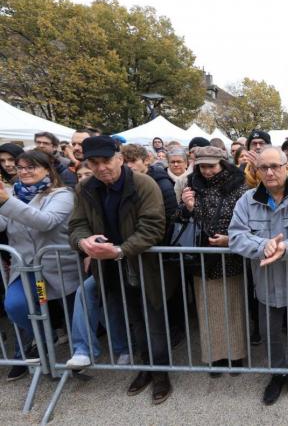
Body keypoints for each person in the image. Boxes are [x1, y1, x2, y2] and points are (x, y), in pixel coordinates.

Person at [68, 136, 173, 404]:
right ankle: (146, 368)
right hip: (108, 269)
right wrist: (84, 241)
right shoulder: (85, 188)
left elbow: (153, 227)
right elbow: (77, 224)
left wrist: (119, 250)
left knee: (153, 320)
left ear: (119, 158)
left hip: (142, 265)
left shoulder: (143, 183)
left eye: (106, 161)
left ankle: (161, 374)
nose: (101, 168)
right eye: (94, 162)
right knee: (134, 320)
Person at [229, 146, 288, 405]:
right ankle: (278, 373)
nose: (270, 172)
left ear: (286, 167)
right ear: (257, 171)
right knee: (270, 332)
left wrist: (286, 247)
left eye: (275, 166)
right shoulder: (246, 201)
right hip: (266, 284)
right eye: (264, 167)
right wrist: (263, 246)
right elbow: (236, 237)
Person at [0, 150, 79, 381]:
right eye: (20, 167)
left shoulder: (62, 195)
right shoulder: (13, 193)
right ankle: (44, 340)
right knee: (15, 306)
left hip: (60, 269)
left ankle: (82, 358)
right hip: (25, 269)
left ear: (48, 168)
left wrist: (7, 201)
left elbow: (45, 222)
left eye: (30, 167)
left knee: (74, 318)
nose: (24, 172)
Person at [176, 146, 248, 376]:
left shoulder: (239, 185)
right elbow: (179, 220)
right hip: (202, 258)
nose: (206, 171)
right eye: (202, 166)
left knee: (233, 309)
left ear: (222, 163)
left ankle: (235, 356)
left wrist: (230, 240)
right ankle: (214, 356)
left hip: (230, 257)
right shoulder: (191, 184)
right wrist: (188, 208)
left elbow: (247, 220)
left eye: (211, 166)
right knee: (207, 310)